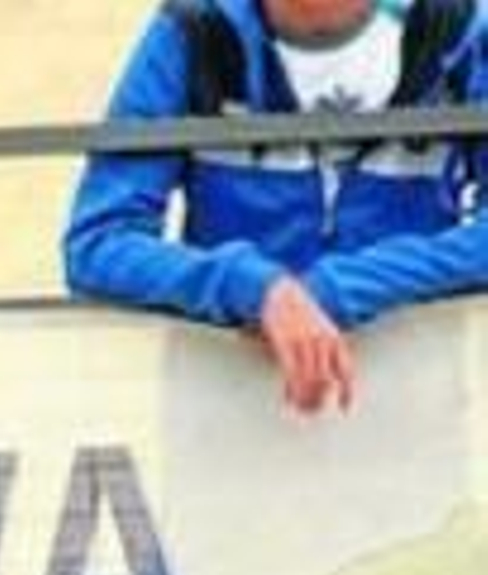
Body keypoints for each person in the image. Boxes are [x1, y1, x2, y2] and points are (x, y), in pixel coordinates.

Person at [63, 0, 488, 414]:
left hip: (414, 425)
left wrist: (339, 290)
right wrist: (254, 289)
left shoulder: (460, 27)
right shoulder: (194, 29)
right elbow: (98, 243)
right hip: (228, 422)